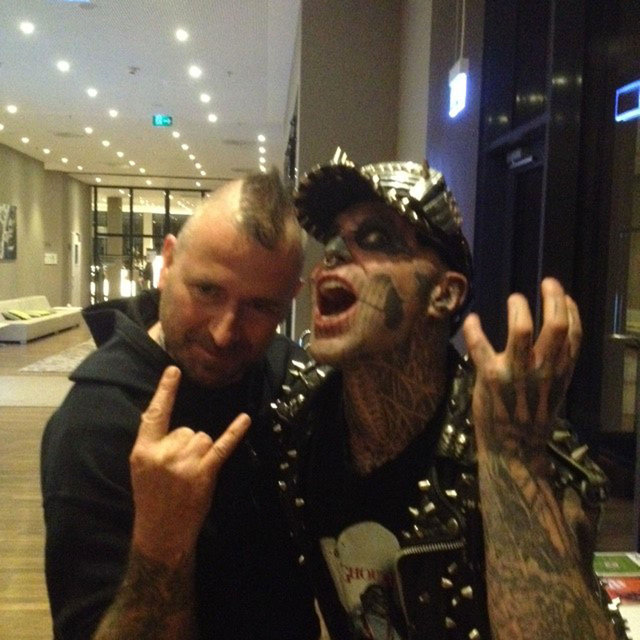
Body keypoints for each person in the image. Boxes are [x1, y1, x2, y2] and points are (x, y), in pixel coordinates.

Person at [271, 149, 627, 639]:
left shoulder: (511, 436)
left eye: (375, 239)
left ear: (444, 293)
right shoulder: (297, 423)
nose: (332, 254)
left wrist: (512, 460)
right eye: (333, 239)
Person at [41, 169, 320, 639]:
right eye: (207, 291)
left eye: (260, 307)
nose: (224, 332)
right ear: (167, 262)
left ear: (289, 299)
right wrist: (160, 542)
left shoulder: (286, 373)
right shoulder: (94, 424)